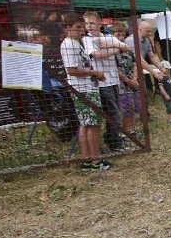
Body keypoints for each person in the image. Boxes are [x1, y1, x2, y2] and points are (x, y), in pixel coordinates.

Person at [58, 15, 110, 170]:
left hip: (86, 87)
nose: (82, 30)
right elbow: (72, 70)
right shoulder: (68, 45)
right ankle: (96, 160)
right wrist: (94, 73)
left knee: (86, 124)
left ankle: (87, 159)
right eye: (78, 27)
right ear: (67, 28)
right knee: (93, 124)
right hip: (83, 90)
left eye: (82, 27)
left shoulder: (75, 43)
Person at [83, 11, 130, 152]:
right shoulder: (87, 40)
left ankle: (112, 139)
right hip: (102, 83)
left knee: (115, 113)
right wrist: (114, 50)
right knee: (112, 114)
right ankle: (114, 143)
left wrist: (112, 46)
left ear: (99, 23)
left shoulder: (108, 37)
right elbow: (96, 55)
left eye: (91, 23)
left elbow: (126, 48)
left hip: (114, 80)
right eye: (86, 23)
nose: (89, 26)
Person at [112, 22, 139, 139]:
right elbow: (115, 69)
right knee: (125, 108)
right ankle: (123, 132)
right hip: (121, 85)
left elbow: (135, 64)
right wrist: (127, 80)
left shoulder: (128, 50)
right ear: (112, 35)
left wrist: (135, 78)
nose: (121, 37)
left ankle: (132, 130)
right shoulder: (112, 52)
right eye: (118, 35)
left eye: (123, 35)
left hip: (132, 82)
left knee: (133, 107)